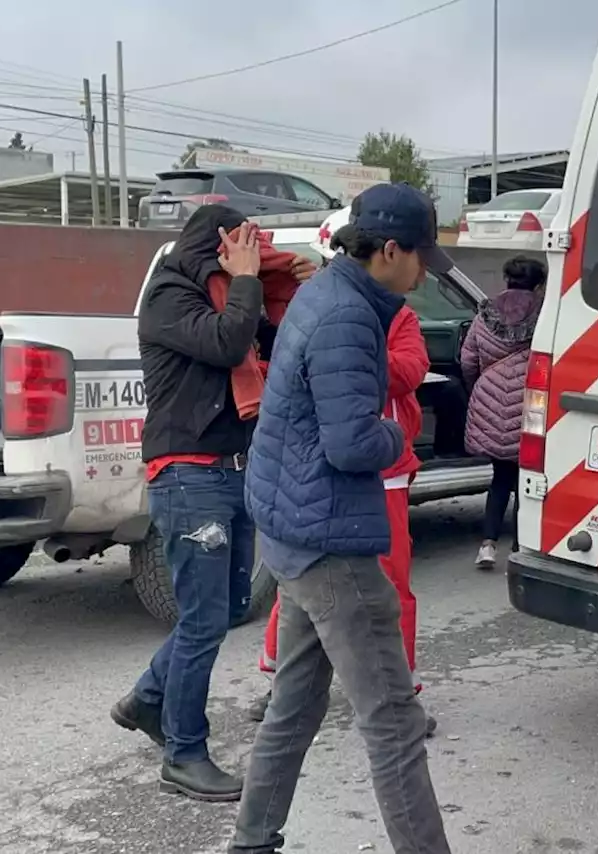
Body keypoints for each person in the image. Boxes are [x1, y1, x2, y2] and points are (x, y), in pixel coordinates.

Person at [229, 183, 453, 854]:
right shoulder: (352, 317)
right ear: (389, 251)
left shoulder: (324, 293)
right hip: (330, 540)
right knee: (393, 722)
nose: (423, 274)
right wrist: (401, 439)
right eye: (420, 259)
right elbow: (353, 442)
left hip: (293, 525)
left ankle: (251, 841)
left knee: (294, 708)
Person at [109, 205, 312, 802]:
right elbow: (228, 345)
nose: (252, 255)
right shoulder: (172, 298)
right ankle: (183, 754)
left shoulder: (228, 296)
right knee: (202, 620)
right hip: (188, 474)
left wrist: (284, 284)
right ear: (212, 248)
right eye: (242, 247)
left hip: (232, 469)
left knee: (228, 606)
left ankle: (149, 698)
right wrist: (249, 279)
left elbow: (269, 344)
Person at [249, 254, 434, 726]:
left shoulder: (398, 316)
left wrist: (355, 353)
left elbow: (411, 368)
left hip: (385, 471)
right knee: (300, 580)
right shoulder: (323, 306)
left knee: (391, 583)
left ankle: (401, 690)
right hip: (321, 471)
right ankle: (279, 682)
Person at [460, 255, 547, 570]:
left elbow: (468, 359)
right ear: (539, 284)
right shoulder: (546, 313)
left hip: (489, 400)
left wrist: (481, 387)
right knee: (527, 477)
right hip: (533, 404)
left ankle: (487, 545)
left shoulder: (486, 313)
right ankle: (520, 546)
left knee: (500, 478)